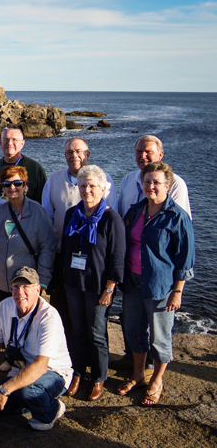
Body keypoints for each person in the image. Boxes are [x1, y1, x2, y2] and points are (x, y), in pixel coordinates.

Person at [116, 162, 194, 406]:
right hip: (133, 282)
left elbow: (186, 257)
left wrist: (178, 290)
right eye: (147, 181)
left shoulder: (177, 217)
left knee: (159, 337)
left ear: (168, 187)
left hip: (160, 286)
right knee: (133, 331)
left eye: (157, 182)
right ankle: (138, 375)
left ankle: (157, 380)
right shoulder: (135, 210)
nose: (151, 186)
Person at [60, 165, 125, 401]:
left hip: (98, 288)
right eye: (83, 185)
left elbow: (117, 258)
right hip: (74, 284)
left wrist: (110, 289)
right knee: (76, 331)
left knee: (96, 333)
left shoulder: (111, 218)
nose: (87, 190)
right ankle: (77, 372)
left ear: (102, 189)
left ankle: (98, 377)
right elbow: (66, 250)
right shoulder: (72, 214)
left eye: (92, 186)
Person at [0, 267, 73, 431]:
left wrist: (5, 390)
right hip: (20, 371)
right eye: (15, 287)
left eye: (26, 287)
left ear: (38, 289)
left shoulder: (48, 316)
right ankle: (28, 402)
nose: (19, 292)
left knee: (29, 389)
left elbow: (41, 366)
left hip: (52, 373)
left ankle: (53, 409)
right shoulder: (5, 306)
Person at [41, 137, 117, 335]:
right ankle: (68, 356)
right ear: (65, 156)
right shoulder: (53, 180)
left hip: (95, 262)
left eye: (79, 151)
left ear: (88, 154)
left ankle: (94, 361)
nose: (74, 156)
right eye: (69, 152)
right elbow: (47, 218)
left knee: (95, 318)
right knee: (63, 310)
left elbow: (112, 219)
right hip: (63, 256)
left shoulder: (104, 180)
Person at [0, 165, 56, 312]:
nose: (12, 187)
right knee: (5, 322)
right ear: (3, 188)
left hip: (25, 286)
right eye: (7, 184)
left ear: (25, 185)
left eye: (17, 183)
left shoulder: (38, 212)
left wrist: (42, 280)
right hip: (0, 283)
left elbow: (48, 247)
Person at [118, 135, 191, 219]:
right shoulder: (128, 179)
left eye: (148, 152)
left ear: (160, 155)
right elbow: (120, 214)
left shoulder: (175, 183)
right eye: (139, 152)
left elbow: (179, 221)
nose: (143, 156)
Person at [0, 124, 47, 208]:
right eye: (5, 140)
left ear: (22, 144)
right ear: (0, 143)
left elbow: (44, 203)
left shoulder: (35, 170)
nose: (9, 143)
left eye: (14, 140)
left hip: (25, 219)